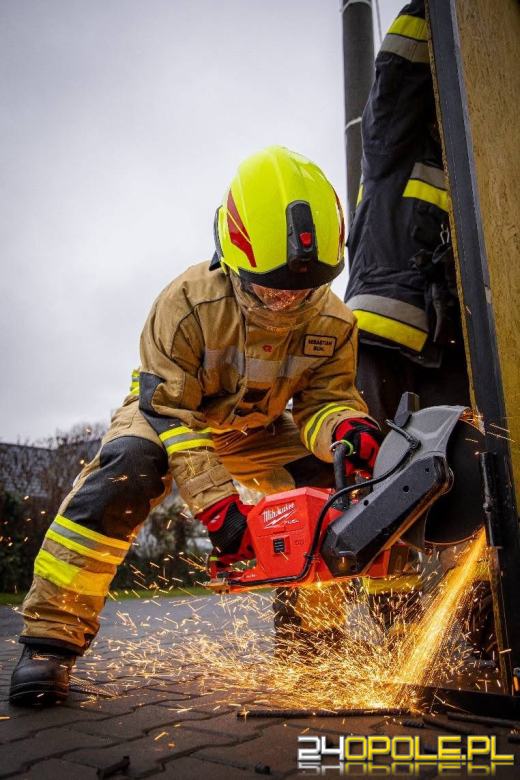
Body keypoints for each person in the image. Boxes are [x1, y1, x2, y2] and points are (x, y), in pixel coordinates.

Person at [10, 145, 382, 706]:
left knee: (326, 484)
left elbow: (324, 402)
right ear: (230, 258)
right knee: (126, 474)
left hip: (258, 429)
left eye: (302, 292)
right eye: (270, 289)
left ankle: (313, 640)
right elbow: (174, 415)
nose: (285, 304)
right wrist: (218, 507)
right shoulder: (184, 304)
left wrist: (347, 431)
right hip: (167, 415)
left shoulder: (336, 321)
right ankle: (49, 643)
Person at [344, 0, 474, 637]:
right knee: (370, 489)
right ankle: (359, 639)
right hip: (384, 339)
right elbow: (396, 71)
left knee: (463, 484)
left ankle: (471, 626)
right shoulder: (398, 138)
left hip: (456, 348)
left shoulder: (478, 161)